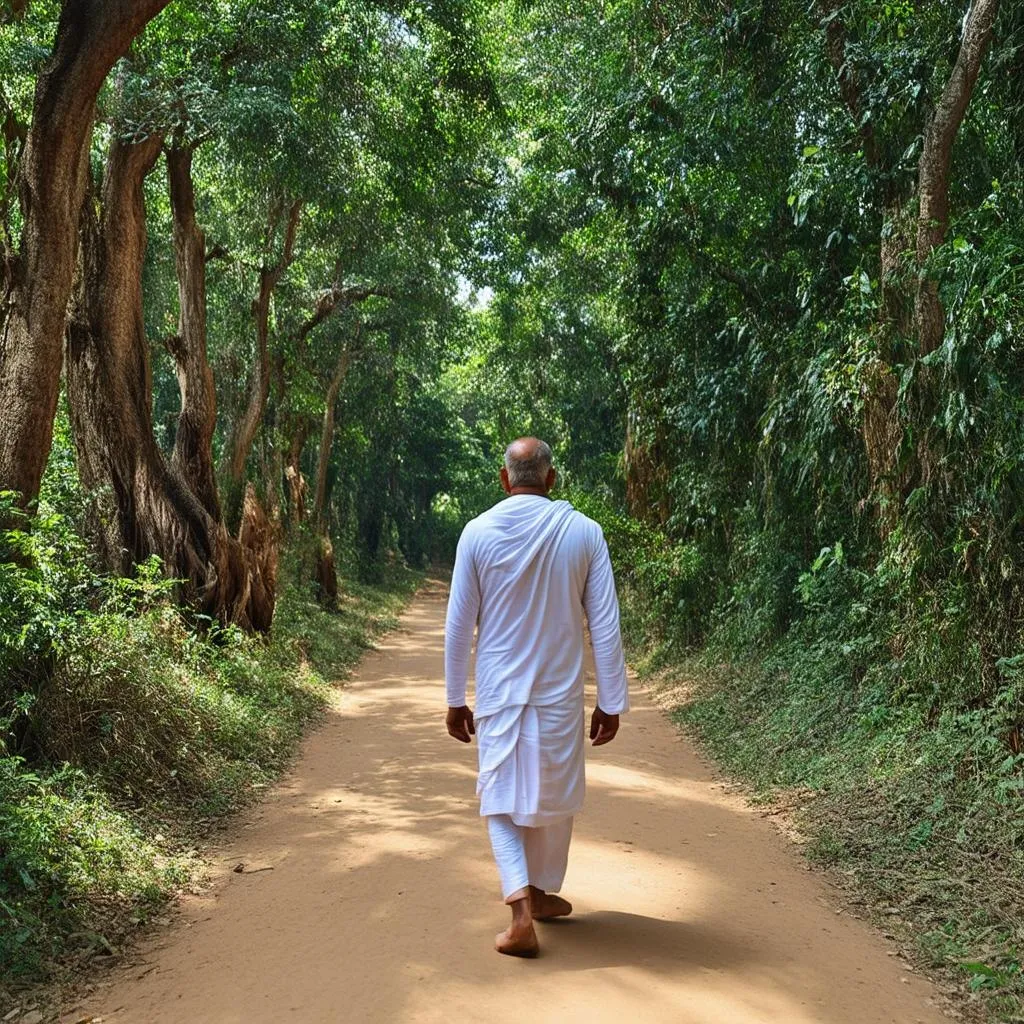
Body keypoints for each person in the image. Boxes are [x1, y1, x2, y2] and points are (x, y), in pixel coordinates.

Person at [444, 437, 630, 957]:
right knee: (552, 796)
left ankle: (533, 901)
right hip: (558, 695)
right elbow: (606, 626)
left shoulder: (477, 533)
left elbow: (460, 625)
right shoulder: (584, 533)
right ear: (551, 480)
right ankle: (526, 906)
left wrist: (456, 697)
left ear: (505, 480)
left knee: (501, 801)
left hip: (500, 693)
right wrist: (611, 700)